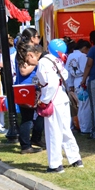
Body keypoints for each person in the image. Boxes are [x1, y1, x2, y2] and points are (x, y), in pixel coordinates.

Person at [20, 41, 83, 173]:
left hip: (53, 100)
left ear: (31, 54)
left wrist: (44, 100)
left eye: (27, 59)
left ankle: (55, 164)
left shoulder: (43, 62)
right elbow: (64, 75)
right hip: (62, 97)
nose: (28, 62)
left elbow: (51, 84)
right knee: (66, 130)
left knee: (53, 132)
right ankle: (75, 158)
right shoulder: (56, 60)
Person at [12, 28, 45, 154]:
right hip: (26, 87)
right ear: (32, 38)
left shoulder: (30, 50)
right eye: (37, 36)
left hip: (35, 86)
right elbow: (23, 71)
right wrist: (38, 63)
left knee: (41, 114)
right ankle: (25, 145)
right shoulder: (24, 50)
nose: (39, 39)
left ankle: (36, 138)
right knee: (27, 118)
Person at [67, 39, 92, 134]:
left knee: (80, 106)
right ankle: (86, 128)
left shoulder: (70, 56)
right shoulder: (83, 56)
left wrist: (70, 85)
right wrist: (84, 81)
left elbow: (68, 73)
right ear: (85, 48)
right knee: (85, 106)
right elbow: (86, 69)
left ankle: (81, 126)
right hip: (83, 81)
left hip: (75, 81)